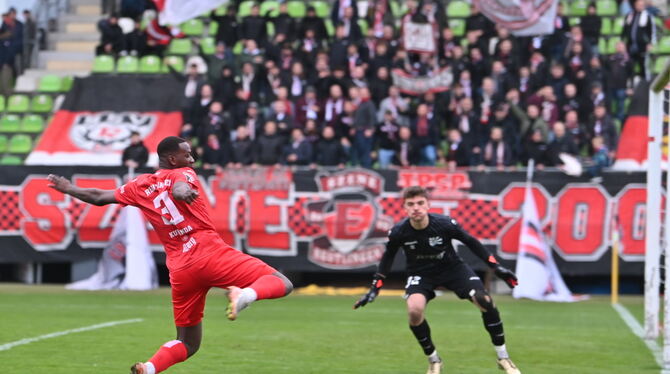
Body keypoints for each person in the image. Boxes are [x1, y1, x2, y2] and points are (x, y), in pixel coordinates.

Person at [46, 136, 293, 374]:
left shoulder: (139, 186)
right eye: (187, 154)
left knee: (187, 343)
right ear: (173, 159)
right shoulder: (183, 173)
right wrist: (181, 192)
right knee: (283, 283)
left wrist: (68, 188)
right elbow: (179, 186)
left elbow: (98, 197)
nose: (193, 159)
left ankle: (149, 368)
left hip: (181, 269)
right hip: (208, 252)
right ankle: (244, 294)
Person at [354, 186, 521, 374]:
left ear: (428, 205)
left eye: (420, 203)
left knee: (484, 300)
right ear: (405, 208)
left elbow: (471, 241)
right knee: (414, 311)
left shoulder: (445, 224)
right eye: (411, 204)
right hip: (420, 273)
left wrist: (496, 266)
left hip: (452, 268)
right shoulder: (399, 232)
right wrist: (375, 288)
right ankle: (434, 360)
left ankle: (503, 357)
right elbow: (387, 259)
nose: (416, 208)